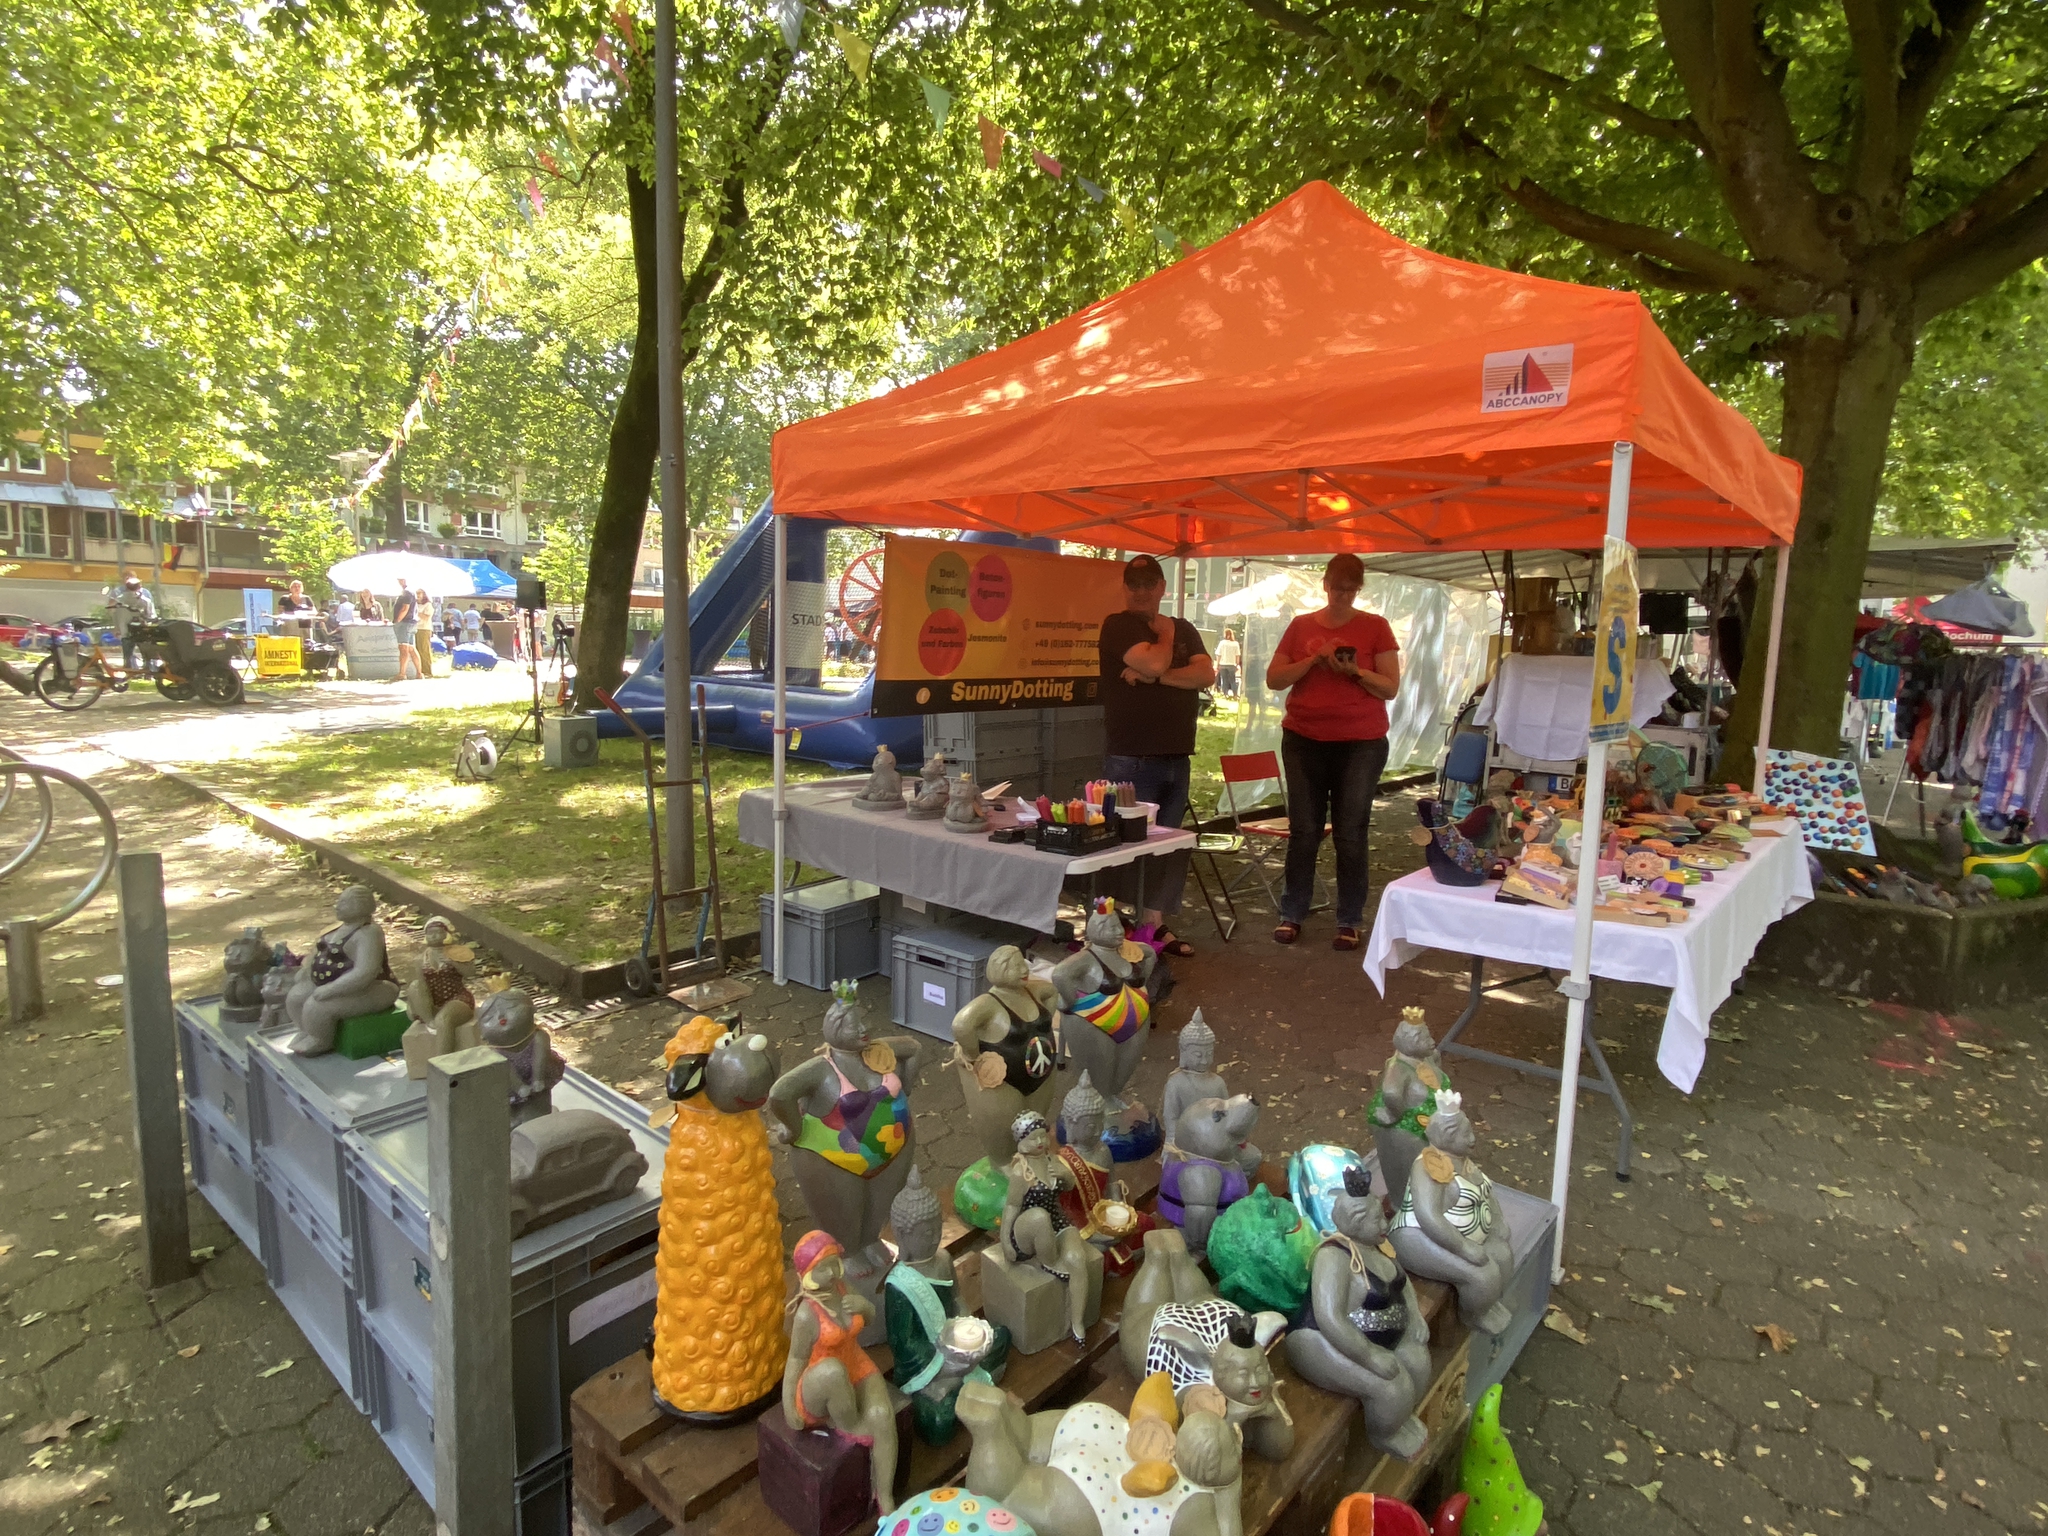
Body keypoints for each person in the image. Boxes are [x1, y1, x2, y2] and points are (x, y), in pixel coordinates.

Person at [1263, 553, 1400, 950]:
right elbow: (1275, 679)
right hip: (1304, 739)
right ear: (1324, 584)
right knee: (1304, 830)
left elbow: (1390, 687)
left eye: (1351, 589)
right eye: (1337, 587)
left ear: (1359, 589)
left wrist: (1354, 671)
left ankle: (1349, 919)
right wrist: (1313, 659)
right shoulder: (1301, 626)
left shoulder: (1375, 627)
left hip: (1361, 742)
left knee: (1350, 832)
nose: (1343, 595)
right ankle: (1292, 912)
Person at [1098, 553, 1214, 957]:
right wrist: (1164, 639)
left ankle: (1154, 927)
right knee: (1123, 847)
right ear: (1124, 588)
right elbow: (1154, 659)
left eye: (1149, 583)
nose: (1141, 591)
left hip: (1177, 755)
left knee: (1166, 846)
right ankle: (1113, 931)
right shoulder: (1118, 625)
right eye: (1134, 584)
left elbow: (1205, 674)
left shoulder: (1187, 628)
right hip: (1132, 757)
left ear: (1162, 587)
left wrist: (1156, 678)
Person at [107, 575, 156, 673]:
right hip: (142, 632)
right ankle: (148, 673)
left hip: (125, 632)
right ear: (139, 586)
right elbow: (151, 617)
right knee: (147, 656)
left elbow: (114, 616)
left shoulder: (118, 600)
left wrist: (117, 629)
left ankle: (129, 673)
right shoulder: (145, 601)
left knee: (127, 657)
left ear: (126, 587)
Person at [390, 579, 423, 680]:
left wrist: (397, 620)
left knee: (403, 648)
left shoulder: (407, 592)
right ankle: (419, 673)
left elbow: (405, 608)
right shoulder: (411, 592)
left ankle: (402, 673)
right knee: (411, 649)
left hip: (405, 623)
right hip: (412, 623)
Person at [1215, 627, 1242, 700]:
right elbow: (1237, 655)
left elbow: (1218, 654)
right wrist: (1237, 664)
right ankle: (1235, 695)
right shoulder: (1235, 644)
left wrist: (1217, 664)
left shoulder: (1222, 643)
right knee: (1232, 680)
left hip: (1223, 664)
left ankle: (1225, 694)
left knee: (1224, 680)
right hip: (1232, 664)